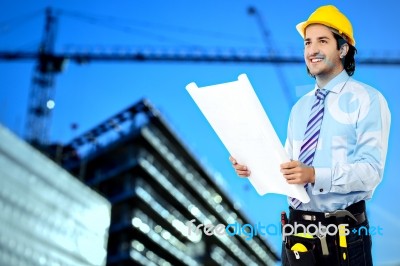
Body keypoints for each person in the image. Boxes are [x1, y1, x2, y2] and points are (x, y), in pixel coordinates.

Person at [230, 5, 390, 266]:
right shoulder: (301, 108)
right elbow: (287, 167)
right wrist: (252, 166)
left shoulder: (368, 100)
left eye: (322, 41)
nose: (312, 50)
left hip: (344, 235)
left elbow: (371, 171)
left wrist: (315, 174)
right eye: (307, 42)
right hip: (297, 235)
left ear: (343, 48)